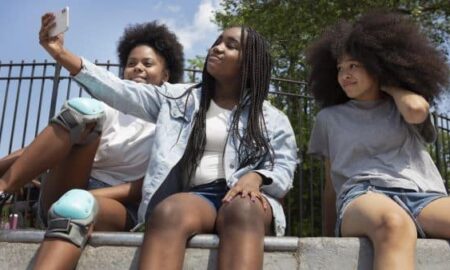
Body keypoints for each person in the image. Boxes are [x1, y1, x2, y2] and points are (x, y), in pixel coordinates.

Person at [39, 11, 298, 270]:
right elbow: (120, 91)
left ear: (249, 63)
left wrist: (256, 177)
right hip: (200, 196)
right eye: (217, 41)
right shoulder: (178, 99)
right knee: (169, 211)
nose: (217, 48)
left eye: (230, 46)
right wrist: (61, 54)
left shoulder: (272, 118)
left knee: (243, 208)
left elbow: (284, 167)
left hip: (247, 197)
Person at [0, 20, 184, 269]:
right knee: (83, 112)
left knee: (77, 204)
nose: (137, 68)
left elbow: (143, 187)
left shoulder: (172, 123)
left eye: (147, 64)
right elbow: (45, 147)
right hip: (68, 186)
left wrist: (85, 196)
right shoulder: (107, 109)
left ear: (166, 75)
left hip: (116, 204)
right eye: (131, 64)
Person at [306, 11, 450, 269]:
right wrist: (327, 235)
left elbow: (417, 109)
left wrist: (389, 84)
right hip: (364, 195)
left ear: (377, 65)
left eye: (354, 66)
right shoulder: (329, 118)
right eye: (340, 68)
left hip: (423, 195)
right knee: (394, 223)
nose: (344, 74)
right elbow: (331, 183)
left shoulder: (401, 107)